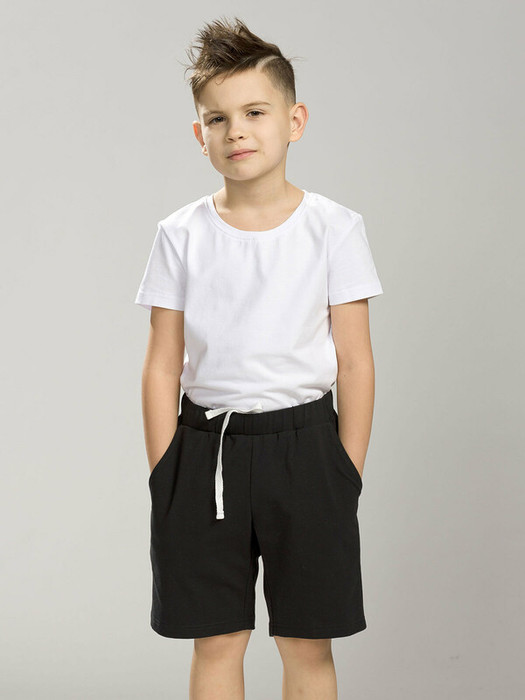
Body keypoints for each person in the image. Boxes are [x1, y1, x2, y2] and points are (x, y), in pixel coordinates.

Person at [134, 15, 384, 700]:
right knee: (216, 640)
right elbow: (161, 363)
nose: (235, 131)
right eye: (217, 118)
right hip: (204, 449)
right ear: (200, 135)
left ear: (294, 120)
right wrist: (165, 472)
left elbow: (355, 362)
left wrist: (344, 470)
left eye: (254, 112)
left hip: (308, 449)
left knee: (307, 643)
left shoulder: (334, 229)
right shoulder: (180, 234)